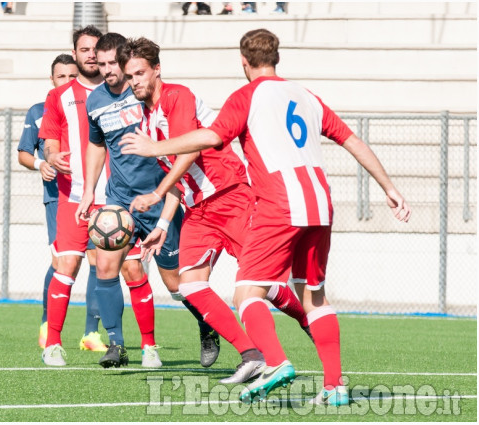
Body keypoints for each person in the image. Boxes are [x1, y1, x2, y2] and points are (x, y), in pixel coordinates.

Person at [120, 28, 411, 405]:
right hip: (320, 201)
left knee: (248, 292)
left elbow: (209, 139)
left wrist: (152, 149)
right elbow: (352, 140)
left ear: (244, 62)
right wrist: (389, 187)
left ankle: (273, 362)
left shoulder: (246, 95)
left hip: (276, 201)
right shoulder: (307, 96)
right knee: (315, 297)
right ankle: (334, 387)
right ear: (277, 58)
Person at [116, 36, 313, 384]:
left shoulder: (177, 97)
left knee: (260, 285)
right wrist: (163, 222)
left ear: (157, 70)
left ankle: (307, 317)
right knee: (189, 286)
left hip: (230, 196)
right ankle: (251, 356)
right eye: (129, 76)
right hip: (198, 210)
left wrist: (155, 187)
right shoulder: (147, 123)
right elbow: (178, 176)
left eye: (140, 73)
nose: (135, 81)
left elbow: (188, 152)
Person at [76, 32, 220, 369]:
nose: (111, 70)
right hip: (120, 200)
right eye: (104, 63)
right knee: (107, 266)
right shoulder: (95, 101)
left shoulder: (143, 93)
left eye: (116, 63)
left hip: (160, 197)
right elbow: (97, 145)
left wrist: (163, 192)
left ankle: (206, 324)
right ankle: (117, 345)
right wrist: (88, 190)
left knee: (176, 283)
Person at [38, 26, 155, 367]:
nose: (91, 56)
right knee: (67, 264)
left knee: (132, 269)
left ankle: (148, 345)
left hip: (121, 196)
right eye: (85, 50)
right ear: (75, 55)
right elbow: (51, 138)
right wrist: (52, 155)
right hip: (76, 196)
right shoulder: (60, 96)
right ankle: (54, 343)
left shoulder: (132, 87)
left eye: (97, 51)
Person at [19, 53, 111, 352]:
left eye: (74, 75)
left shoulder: (95, 102)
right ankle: (49, 323)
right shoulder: (39, 110)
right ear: (52, 79)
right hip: (59, 195)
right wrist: (40, 163)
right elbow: (24, 153)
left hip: (94, 192)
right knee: (63, 262)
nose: (69, 81)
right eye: (62, 76)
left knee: (98, 258)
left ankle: (90, 332)